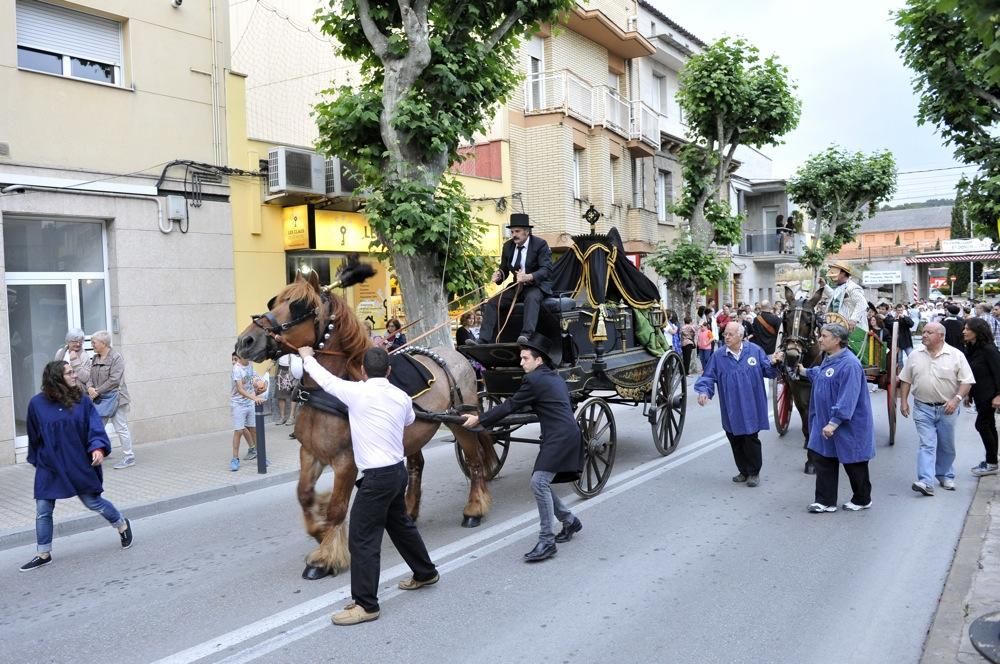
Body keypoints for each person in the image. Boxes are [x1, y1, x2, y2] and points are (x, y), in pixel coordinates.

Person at [298, 345, 438, 626]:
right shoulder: (400, 396)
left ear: (362, 371)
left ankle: (366, 604)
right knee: (400, 526)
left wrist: (306, 357)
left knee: (362, 540)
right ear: (389, 371)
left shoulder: (356, 392)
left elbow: (325, 380)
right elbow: (410, 420)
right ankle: (425, 572)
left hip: (377, 480)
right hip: (397, 473)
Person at [462, 336, 583, 562]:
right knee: (541, 482)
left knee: (539, 482)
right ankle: (570, 521)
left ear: (538, 360)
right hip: (563, 435)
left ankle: (547, 541)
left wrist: (479, 419)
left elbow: (510, 405)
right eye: (521, 358)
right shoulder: (551, 376)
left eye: (525, 358)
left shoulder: (535, 380)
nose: (521, 363)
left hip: (560, 438)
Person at [20, 361, 134, 571]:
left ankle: (122, 524)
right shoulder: (37, 404)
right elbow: (34, 436)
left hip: (77, 462)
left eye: (73, 372)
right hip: (50, 465)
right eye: (69, 373)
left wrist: (98, 448)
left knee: (93, 502)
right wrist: (39, 461)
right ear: (56, 377)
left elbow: (94, 428)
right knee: (43, 509)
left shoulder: (82, 401)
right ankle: (43, 552)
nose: (75, 376)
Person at [791, 324, 875, 513]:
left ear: (837, 340)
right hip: (825, 423)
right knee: (823, 459)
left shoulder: (850, 364)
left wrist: (834, 422)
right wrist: (804, 371)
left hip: (848, 425)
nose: (820, 339)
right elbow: (822, 374)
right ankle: (825, 501)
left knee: (854, 462)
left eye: (824, 336)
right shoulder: (829, 359)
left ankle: (862, 499)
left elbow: (848, 397)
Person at [694, 322, 781, 487]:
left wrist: (775, 363)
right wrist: (704, 391)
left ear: (740, 336)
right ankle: (743, 471)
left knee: (750, 437)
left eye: (730, 334)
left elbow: (769, 371)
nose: (726, 337)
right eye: (725, 334)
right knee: (734, 437)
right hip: (731, 406)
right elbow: (708, 376)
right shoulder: (719, 356)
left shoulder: (754, 351)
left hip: (751, 405)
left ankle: (754, 473)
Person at [899, 322, 975, 496]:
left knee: (946, 445)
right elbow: (906, 380)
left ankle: (945, 474)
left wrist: (956, 400)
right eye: (924, 331)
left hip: (947, 409)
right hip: (922, 407)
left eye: (929, 332)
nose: (924, 335)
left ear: (941, 336)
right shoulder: (915, 355)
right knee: (927, 444)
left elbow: (967, 381)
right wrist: (903, 401)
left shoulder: (956, 355)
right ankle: (926, 481)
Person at [472, 214, 553, 345]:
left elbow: (547, 270)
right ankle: (483, 339)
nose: (514, 235)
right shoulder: (508, 246)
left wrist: (529, 276)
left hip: (535, 285)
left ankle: (526, 335)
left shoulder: (540, 244)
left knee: (532, 298)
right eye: (512, 231)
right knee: (492, 302)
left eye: (517, 231)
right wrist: (498, 275)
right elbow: (504, 269)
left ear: (527, 232)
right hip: (517, 286)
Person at [86, 330, 135, 469]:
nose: (92, 345)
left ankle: (129, 456)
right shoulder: (95, 358)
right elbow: (90, 376)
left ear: (104, 343)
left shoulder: (116, 357)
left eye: (94, 342)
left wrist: (97, 391)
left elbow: (114, 380)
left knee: (120, 427)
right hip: (100, 398)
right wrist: (90, 387)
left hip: (116, 398)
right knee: (97, 427)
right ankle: (97, 453)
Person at [963, 318, 1000, 477]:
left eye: (967, 329)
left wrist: (999, 395)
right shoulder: (973, 348)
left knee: (982, 425)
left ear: (977, 331)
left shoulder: (989, 349)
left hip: (990, 395)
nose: (964, 331)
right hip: (980, 394)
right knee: (988, 425)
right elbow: (972, 374)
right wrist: (968, 394)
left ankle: (992, 462)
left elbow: (999, 372)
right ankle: (992, 460)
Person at [275, 353, 300, 425]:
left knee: (293, 393)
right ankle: (282, 417)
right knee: (280, 394)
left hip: (293, 368)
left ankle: (291, 417)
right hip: (282, 368)